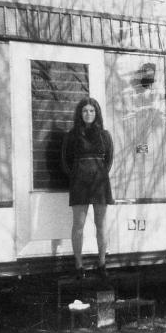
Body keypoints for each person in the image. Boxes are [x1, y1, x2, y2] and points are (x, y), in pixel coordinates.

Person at [61, 97, 114, 280]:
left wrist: (99, 175)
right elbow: (65, 161)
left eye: (92, 111)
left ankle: (102, 264)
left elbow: (109, 161)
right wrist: (77, 176)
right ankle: (78, 266)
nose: (88, 114)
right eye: (85, 111)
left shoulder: (105, 135)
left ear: (96, 113)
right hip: (79, 184)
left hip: (100, 184)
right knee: (78, 225)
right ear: (80, 113)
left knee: (101, 225)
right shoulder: (72, 135)